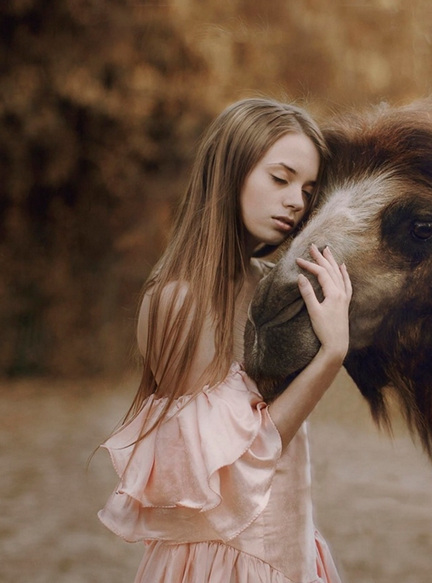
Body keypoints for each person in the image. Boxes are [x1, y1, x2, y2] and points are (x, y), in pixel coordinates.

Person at [98, 97, 351, 583]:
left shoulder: (274, 287)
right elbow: (238, 463)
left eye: (308, 189)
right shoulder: (179, 299)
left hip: (293, 550)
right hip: (226, 564)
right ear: (229, 173)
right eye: (281, 179)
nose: (297, 201)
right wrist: (329, 357)